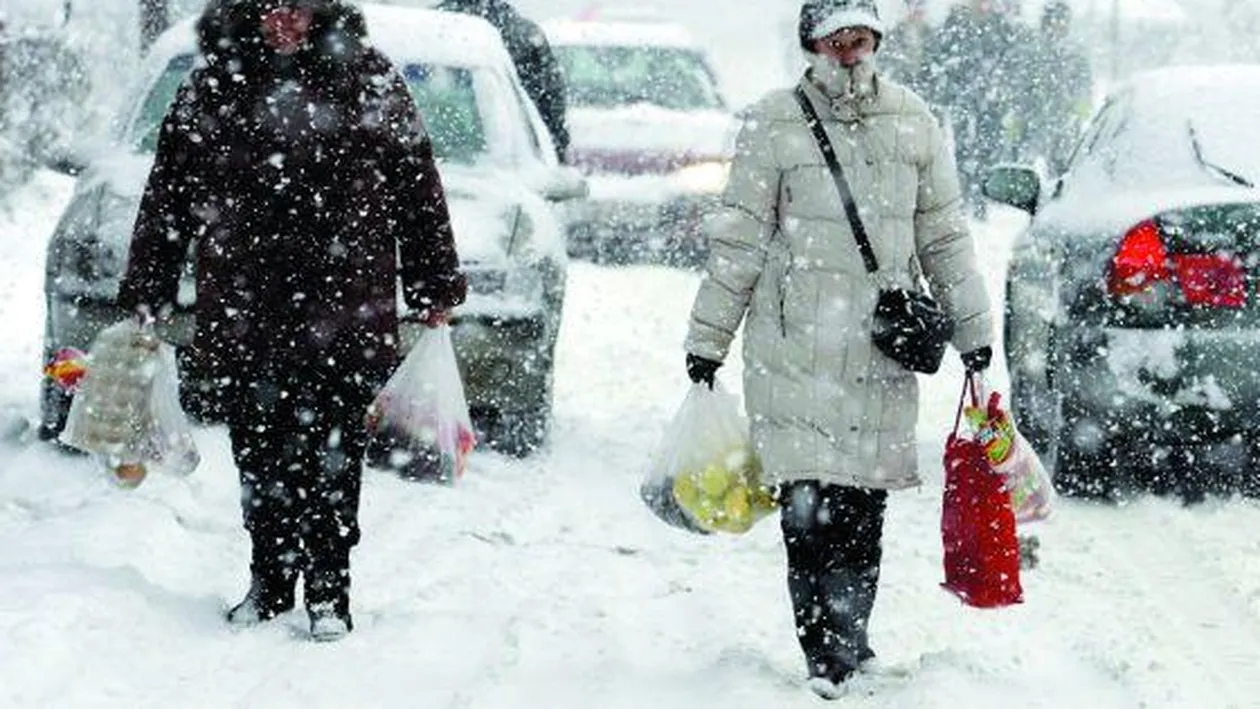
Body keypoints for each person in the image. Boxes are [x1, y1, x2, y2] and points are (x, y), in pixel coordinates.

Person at [116, 0, 467, 642]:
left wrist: (433, 282)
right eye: (268, 6)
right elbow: (168, 194)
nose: (283, 20)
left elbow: (416, 185)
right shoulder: (215, 83)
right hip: (247, 307)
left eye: (298, 7)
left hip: (346, 304)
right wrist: (149, 287)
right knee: (260, 451)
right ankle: (270, 580)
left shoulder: (368, 79)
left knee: (335, 452)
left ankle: (330, 589)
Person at [683, 0, 994, 698]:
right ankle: (825, 654)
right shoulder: (773, 123)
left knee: (862, 511)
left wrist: (973, 333)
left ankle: (851, 637)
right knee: (808, 511)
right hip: (794, 350)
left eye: (861, 38)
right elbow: (739, 243)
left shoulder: (913, 120)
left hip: (879, 350)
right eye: (836, 40)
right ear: (812, 45)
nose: (850, 52)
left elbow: (944, 237)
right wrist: (708, 339)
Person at [922, 0, 1031, 217]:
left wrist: (999, 85)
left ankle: (981, 195)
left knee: (987, 148)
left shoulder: (999, 25)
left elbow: (1011, 59)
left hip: (990, 101)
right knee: (963, 149)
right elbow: (940, 57)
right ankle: (966, 193)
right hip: (963, 98)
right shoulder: (956, 23)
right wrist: (952, 83)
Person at [436, 0, 569, 161]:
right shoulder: (519, 32)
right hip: (504, 152)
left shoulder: (434, 25)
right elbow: (550, 99)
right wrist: (556, 150)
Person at [1016, 0, 1091, 174]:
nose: (1059, 25)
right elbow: (1022, 89)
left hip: (1065, 125)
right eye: (1055, 20)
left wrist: (1080, 110)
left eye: (1063, 20)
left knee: (1062, 170)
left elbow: (1084, 86)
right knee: (1025, 167)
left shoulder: (1075, 53)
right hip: (1035, 124)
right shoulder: (1033, 52)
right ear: (1046, 22)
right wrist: (1018, 118)